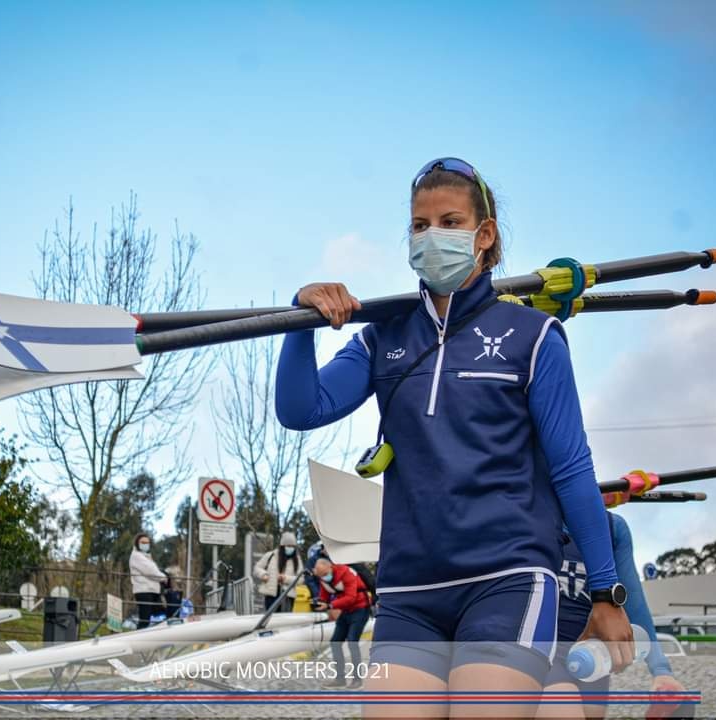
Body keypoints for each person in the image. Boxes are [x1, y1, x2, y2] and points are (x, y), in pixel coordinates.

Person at [275, 157, 632, 717]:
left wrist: (607, 592)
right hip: (410, 591)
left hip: (507, 577)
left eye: (449, 221)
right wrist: (300, 320)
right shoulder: (382, 336)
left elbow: (570, 468)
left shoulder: (534, 336)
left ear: (484, 236)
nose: (430, 236)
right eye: (419, 225)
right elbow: (303, 409)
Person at [540, 512, 692, 720]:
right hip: (541, 651)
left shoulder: (614, 527)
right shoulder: (529, 511)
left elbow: (632, 600)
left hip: (592, 657)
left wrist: (662, 672)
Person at [312, 558, 371, 689]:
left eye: (324, 574)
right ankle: (340, 678)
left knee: (352, 642)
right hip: (346, 611)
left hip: (360, 609)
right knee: (335, 642)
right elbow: (324, 596)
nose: (323, 578)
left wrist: (331, 605)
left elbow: (351, 597)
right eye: (320, 576)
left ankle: (357, 679)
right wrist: (320, 602)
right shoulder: (324, 578)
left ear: (330, 567)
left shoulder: (346, 573)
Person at [254, 531, 303, 612]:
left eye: (293, 546)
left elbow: (301, 579)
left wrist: (286, 578)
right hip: (271, 595)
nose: (291, 548)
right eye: (288, 545)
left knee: (285, 621)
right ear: (282, 546)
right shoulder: (270, 555)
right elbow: (257, 568)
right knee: (270, 620)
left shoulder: (297, 560)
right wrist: (263, 574)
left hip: (288, 596)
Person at [128, 533, 166, 629]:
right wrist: (164, 578)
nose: (145, 544)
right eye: (143, 542)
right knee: (145, 619)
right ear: (137, 543)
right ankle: (139, 639)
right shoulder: (137, 556)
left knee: (154, 616)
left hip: (151, 591)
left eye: (147, 542)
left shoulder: (145, 556)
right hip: (144, 591)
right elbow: (150, 571)